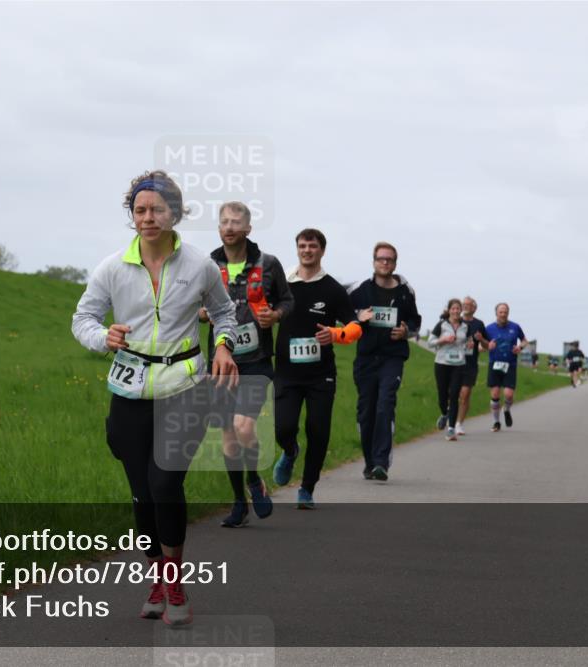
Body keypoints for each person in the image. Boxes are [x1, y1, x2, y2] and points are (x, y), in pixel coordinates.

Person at [72, 170, 238, 625]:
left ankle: (176, 585)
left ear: (176, 214)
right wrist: (104, 336)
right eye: (140, 210)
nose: (148, 217)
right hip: (129, 388)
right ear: (132, 215)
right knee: (143, 496)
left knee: (166, 485)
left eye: (157, 209)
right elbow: (82, 317)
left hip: (184, 387)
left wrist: (223, 345)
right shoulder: (112, 267)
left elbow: (224, 311)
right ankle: (158, 578)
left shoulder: (200, 265)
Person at [202, 201, 294, 528]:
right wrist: (199, 313)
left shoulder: (268, 264)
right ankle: (239, 503)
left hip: (256, 361)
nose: (229, 227)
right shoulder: (207, 266)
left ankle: (254, 479)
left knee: (244, 427)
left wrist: (276, 315)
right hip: (221, 362)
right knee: (228, 434)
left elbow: (287, 300)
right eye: (223, 222)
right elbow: (191, 304)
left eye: (235, 222)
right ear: (218, 228)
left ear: (248, 228)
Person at [272, 229, 367, 508]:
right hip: (287, 373)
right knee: (283, 427)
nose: (307, 250)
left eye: (312, 246)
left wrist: (336, 334)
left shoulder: (332, 289)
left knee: (318, 429)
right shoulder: (283, 284)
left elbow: (355, 325)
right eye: (302, 246)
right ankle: (290, 452)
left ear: (322, 251)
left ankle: (307, 488)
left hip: (320, 375)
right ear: (297, 249)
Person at [346, 242, 422, 481]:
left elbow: (415, 321)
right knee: (366, 411)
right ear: (374, 262)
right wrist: (358, 317)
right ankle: (370, 462)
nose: (385, 263)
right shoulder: (359, 290)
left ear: (395, 264)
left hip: (393, 357)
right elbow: (344, 315)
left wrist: (406, 330)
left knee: (385, 405)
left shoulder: (405, 291)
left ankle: (381, 462)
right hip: (366, 358)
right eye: (381, 259)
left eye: (389, 260)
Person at [483, 303, 528, 432]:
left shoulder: (515, 327)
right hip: (494, 364)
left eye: (505, 312)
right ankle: (496, 422)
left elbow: (525, 341)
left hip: (510, 364)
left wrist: (520, 347)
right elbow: (481, 346)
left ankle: (507, 409)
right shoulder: (489, 329)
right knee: (495, 393)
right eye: (501, 312)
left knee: (508, 394)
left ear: (508, 313)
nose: (503, 314)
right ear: (496, 313)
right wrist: (487, 346)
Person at [428, 299, 469, 441]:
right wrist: (443, 340)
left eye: (458, 308)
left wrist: (469, 346)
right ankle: (445, 414)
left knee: (454, 395)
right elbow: (430, 342)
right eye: (454, 308)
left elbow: (468, 342)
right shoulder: (441, 325)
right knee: (442, 394)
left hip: (459, 364)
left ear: (461, 310)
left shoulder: (465, 326)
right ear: (449, 310)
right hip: (442, 363)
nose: (456, 311)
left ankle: (451, 429)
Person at [456, 296, 488, 436]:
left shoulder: (479, 324)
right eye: (464, 304)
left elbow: (487, 345)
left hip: (470, 364)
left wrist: (481, 341)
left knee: (465, 394)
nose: (466, 306)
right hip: (454, 362)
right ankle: (449, 415)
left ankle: (458, 424)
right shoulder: (455, 320)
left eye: (469, 304)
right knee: (453, 394)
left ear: (474, 308)